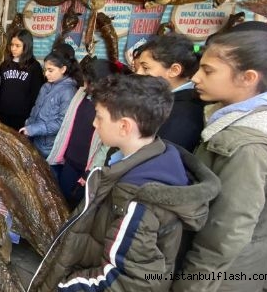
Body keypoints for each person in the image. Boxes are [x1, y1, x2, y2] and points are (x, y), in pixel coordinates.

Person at [32, 74, 220, 291]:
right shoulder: (144, 159)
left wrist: (62, 287)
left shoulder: (138, 199)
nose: (94, 123)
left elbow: (126, 281)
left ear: (124, 126)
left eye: (99, 117)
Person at [172, 27, 267, 292]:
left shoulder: (248, 148)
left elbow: (224, 236)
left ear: (248, 78)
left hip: (224, 279)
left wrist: (189, 287)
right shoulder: (229, 121)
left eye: (208, 71)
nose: (196, 77)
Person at [47, 56, 124, 206]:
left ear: (101, 82)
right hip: (70, 159)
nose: (84, 84)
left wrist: (91, 171)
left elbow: (106, 146)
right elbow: (68, 124)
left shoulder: (112, 106)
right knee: (61, 197)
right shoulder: (81, 93)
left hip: (87, 166)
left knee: (78, 203)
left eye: (88, 81)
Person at [134, 33, 204, 152]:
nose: (138, 74)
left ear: (174, 70)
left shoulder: (184, 115)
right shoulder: (168, 101)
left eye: (145, 68)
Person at [19, 44, 82, 158]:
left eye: (50, 70)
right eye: (45, 70)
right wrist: (28, 124)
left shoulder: (68, 91)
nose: (46, 74)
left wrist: (33, 129)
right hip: (34, 140)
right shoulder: (46, 86)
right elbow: (36, 108)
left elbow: (61, 123)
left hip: (48, 147)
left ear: (63, 69)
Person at [0, 28, 45, 130]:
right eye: (12, 45)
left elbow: (36, 95)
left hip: (23, 118)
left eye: (17, 46)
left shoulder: (34, 67)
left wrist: (31, 118)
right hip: (3, 115)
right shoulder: (5, 65)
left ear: (26, 46)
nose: (13, 48)